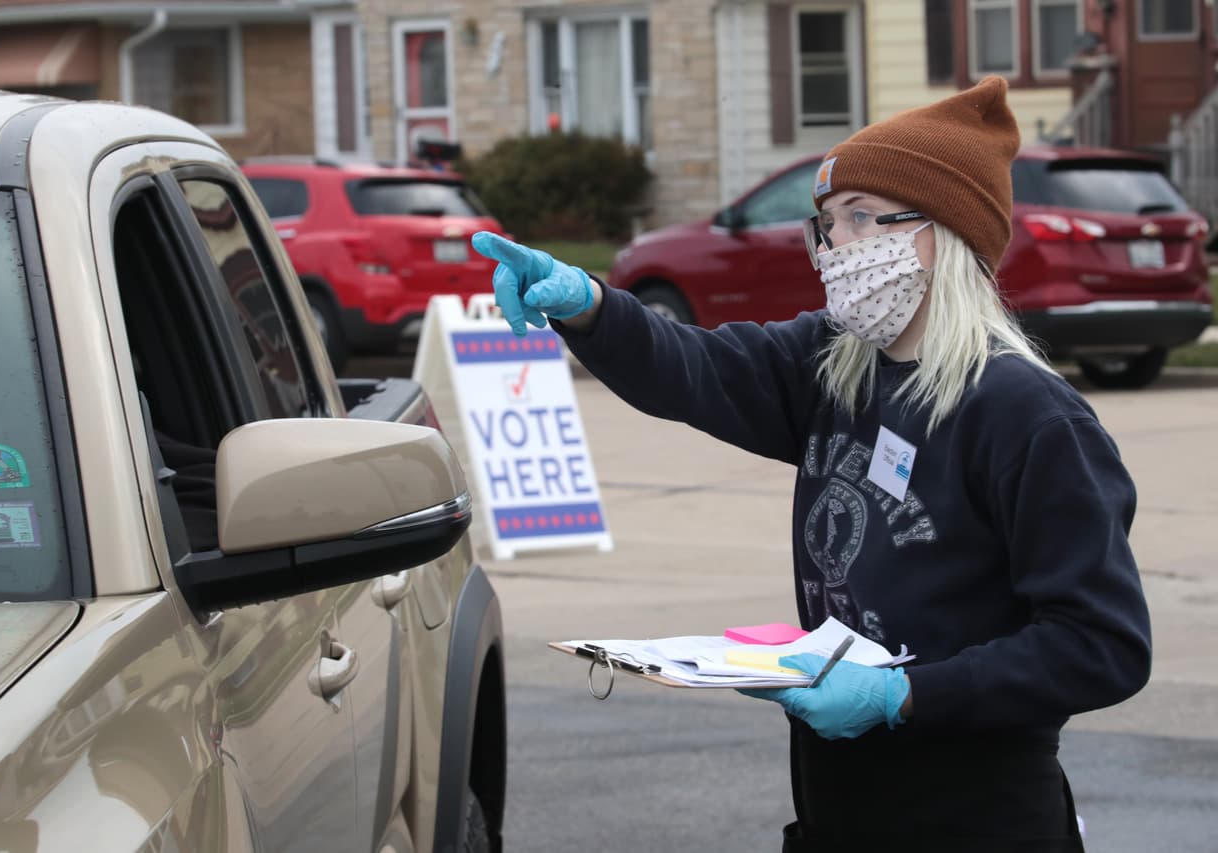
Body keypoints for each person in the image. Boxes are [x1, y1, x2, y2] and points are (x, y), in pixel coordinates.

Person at [471, 76, 1151, 852]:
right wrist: (589, 304)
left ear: (942, 232)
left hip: (978, 821)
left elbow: (1100, 643)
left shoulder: (1028, 417)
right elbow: (694, 367)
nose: (835, 248)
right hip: (840, 812)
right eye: (825, 225)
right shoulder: (833, 363)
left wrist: (904, 694)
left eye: (860, 217)